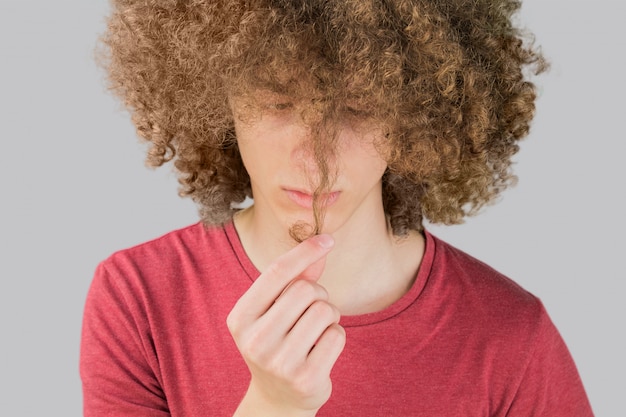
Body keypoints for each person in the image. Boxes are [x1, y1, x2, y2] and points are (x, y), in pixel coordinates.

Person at [80, 0, 594, 416]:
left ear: (416, 116)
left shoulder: (511, 337)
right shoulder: (139, 298)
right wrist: (273, 406)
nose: (315, 157)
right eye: (278, 104)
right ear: (216, 101)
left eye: (357, 109)